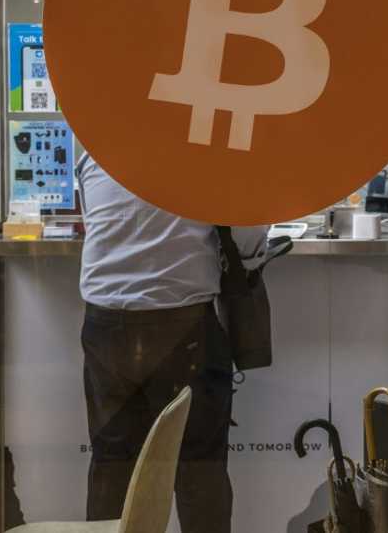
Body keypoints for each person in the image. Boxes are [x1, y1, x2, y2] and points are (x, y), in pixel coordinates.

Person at [76, 154, 268, 533]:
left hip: (105, 324)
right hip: (184, 324)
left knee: (112, 461)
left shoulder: (94, 152)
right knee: (199, 466)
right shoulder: (200, 153)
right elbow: (247, 229)